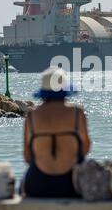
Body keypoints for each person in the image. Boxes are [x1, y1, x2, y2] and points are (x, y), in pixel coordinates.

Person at [22, 67, 91, 198]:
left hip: (38, 184)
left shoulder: (31, 116)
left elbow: (27, 156)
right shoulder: (77, 113)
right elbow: (86, 149)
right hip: (72, 184)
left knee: (20, 184)